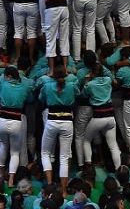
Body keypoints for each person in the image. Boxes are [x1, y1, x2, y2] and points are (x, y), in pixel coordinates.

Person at [39, 64, 80, 196]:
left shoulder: (47, 86)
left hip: (52, 121)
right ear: (66, 74)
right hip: (67, 121)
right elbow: (78, 93)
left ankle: (50, 184)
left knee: (45, 153)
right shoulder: (71, 85)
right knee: (64, 156)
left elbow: (41, 98)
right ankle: (63, 191)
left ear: (53, 74)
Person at [0, 66, 30, 185]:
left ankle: (0, 173)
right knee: (15, 152)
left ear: (8, 76)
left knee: (4, 145)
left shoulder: (3, 85)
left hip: (2, 119)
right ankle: (10, 180)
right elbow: (29, 99)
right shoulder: (24, 88)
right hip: (16, 121)